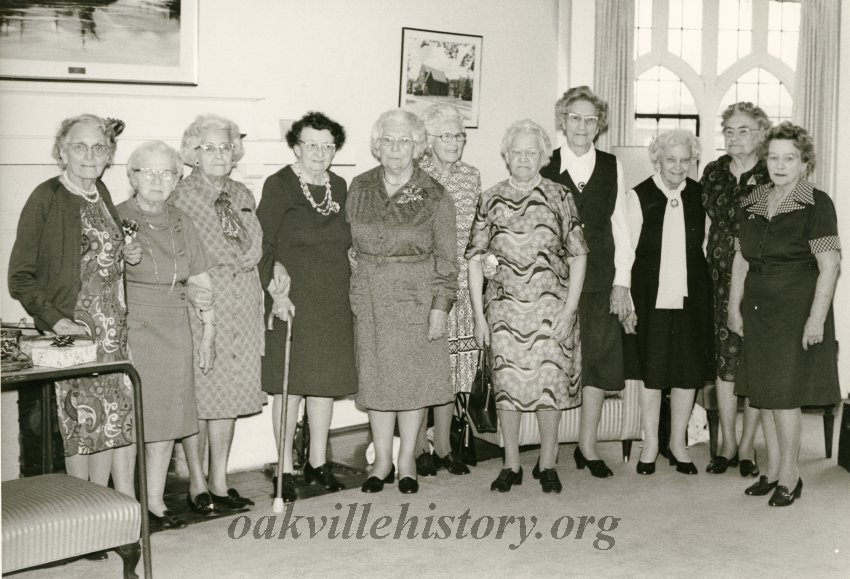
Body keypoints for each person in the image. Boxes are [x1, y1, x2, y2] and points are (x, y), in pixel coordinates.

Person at [8, 114, 140, 505]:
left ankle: (104, 509)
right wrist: (57, 320)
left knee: (111, 423)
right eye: (79, 146)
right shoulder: (46, 196)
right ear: (62, 151)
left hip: (114, 330)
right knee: (82, 423)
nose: (89, 155)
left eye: (99, 147)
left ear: (109, 154)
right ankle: (83, 507)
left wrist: (126, 252)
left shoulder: (101, 192)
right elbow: (20, 276)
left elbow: (102, 255)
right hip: (76, 332)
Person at [467, 119, 588, 494]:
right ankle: (511, 464)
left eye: (531, 152)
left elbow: (579, 255)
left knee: (549, 386)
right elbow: (475, 259)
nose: (523, 158)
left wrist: (569, 310)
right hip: (503, 311)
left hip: (551, 309)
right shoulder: (490, 198)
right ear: (506, 155)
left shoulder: (559, 195)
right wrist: (479, 317)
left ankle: (548, 463)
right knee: (507, 388)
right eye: (516, 151)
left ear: (543, 156)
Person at [728, 122, 840, 507]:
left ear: (804, 163)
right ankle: (773, 471)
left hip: (796, 306)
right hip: (758, 306)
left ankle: (791, 475)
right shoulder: (753, 200)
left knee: (785, 394)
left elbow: (830, 266)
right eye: (773, 157)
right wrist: (733, 307)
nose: (779, 165)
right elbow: (741, 260)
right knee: (765, 393)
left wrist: (816, 318)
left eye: (789, 158)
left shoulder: (817, 203)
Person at [348, 109, 458, 495]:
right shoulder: (360, 186)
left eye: (404, 141)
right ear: (377, 145)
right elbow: (349, 239)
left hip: (416, 298)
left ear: (418, 146)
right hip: (371, 298)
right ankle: (382, 461)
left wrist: (440, 307)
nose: (396, 148)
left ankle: (408, 458)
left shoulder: (435, 194)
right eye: (389, 140)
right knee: (377, 379)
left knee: (414, 381)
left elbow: (448, 259)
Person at [256, 112, 357, 502]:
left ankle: (318, 462)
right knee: (290, 388)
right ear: (296, 147)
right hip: (291, 299)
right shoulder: (279, 184)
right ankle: (284, 467)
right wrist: (276, 291)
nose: (320, 152)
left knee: (324, 384)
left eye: (327, 146)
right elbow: (262, 244)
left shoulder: (340, 185)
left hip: (333, 299)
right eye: (311, 144)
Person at [540, 86, 638, 478]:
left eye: (590, 119)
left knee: (597, 362)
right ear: (562, 121)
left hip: (600, 278)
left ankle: (588, 446)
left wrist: (622, 282)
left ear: (600, 126)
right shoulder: (545, 163)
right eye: (575, 118)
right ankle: (548, 452)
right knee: (554, 362)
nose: (582, 126)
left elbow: (621, 226)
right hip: (555, 281)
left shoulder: (612, 165)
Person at [118, 140, 216, 530]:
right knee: (135, 419)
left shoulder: (182, 220)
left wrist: (208, 331)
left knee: (167, 418)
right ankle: (127, 506)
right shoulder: (117, 217)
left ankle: (155, 502)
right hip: (134, 327)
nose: (158, 180)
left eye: (167, 173)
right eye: (149, 172)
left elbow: (201, 278)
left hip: (176, 325)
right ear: (133, 176)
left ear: (177, 179)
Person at [171, 114, 265, 513]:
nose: (218, 154)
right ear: (193, 153)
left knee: (229, 394)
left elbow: (255, 242)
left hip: (243, 303)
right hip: (203, 304)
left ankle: (220, 481)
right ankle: (197, 483)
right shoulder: (179, 196)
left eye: (225, 147)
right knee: (200, 393)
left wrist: (256, 259)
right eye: (208, 148)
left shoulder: (242, 192)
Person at [625, 129, 713, 476]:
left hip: (692, 294)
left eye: (685, 160)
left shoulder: (700, 196)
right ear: (657, 159)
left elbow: (705, 246)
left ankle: (678, 443)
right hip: (650, 294)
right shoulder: (639, 195)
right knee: (653, 370)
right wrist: (626, 298)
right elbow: (627, 252)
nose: (678, 166)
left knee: (687, 370)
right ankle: (650, 444)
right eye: (670, 159)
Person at [700, 102, 772, 477]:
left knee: (755, 360)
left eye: (743, 130)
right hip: (717, 277)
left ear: (761, 134)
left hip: (760, 276)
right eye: (729, 130)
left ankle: (747, 446)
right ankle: (727, 443)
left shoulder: (772, 172)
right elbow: (706, 223)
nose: (734, 137)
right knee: (725, 361)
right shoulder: (713, 172)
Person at [413, 103, 482, 477]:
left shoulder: (471, 177)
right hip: (425, 285)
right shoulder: (415, 175)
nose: (455, 142)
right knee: (424, 367)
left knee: (453, 370)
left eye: (459, 136)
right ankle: (418, 447)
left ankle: (443, 446)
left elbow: (476, 234)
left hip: (462, 286)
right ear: (429, 139)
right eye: (446, 136)